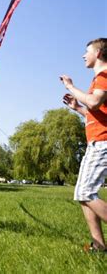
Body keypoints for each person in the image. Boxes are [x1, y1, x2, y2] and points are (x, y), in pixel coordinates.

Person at [60, 38, 107, 253]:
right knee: (82, 194)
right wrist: (77, 107)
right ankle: (99, 246)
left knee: (86, 192)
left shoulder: (104, 76)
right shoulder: (98, 79)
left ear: (98, 53)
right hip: (95, 141)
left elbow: (94, 102)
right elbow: (94, 111)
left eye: (86, 51)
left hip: (102, 142)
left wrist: (71, 86)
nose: (83, 55)